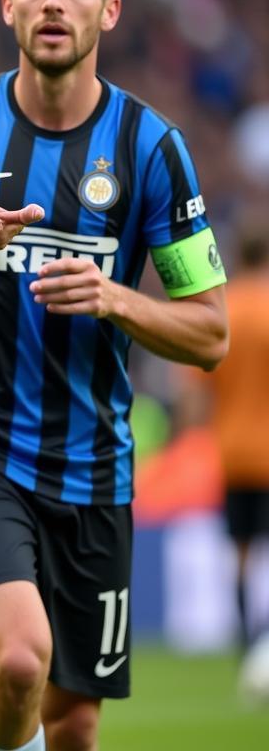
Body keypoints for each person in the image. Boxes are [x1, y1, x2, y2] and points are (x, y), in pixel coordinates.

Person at [0, 0, 230, 751]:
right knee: (21, 662)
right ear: (7, 5)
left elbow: (209, 332)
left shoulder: (151, 148)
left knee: (73, 720)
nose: (52, 1)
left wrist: (115, 299)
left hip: (97, 476)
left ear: (109, 11)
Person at [183, 215, 269, 651]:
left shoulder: (225, 310)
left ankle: (245, 645)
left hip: (233, 452)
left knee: (240, 553)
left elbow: (197, 391)